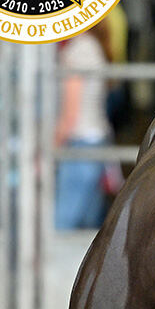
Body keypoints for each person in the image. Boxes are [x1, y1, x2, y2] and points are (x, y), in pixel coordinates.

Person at [55, 24, 114, 229]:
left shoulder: (79, 50)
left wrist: (53, 145)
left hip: (79, 143)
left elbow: (71, 113)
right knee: (89, 222)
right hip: (95, 140)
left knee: (62, 223)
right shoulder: (93, 45)